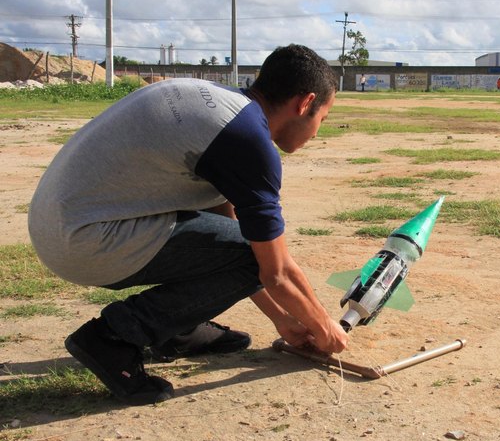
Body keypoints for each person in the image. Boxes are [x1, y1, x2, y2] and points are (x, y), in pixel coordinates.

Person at [28, 44, 349, 406]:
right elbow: (273, 271)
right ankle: (112, 337)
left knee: (233, 248)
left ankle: (175, 330)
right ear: (305, 103)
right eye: (323, 117)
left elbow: (220, 233)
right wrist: (325, 327)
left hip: (61, 227)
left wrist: (281, 318)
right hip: (83, 241)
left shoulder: (225, 114)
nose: (317, 132)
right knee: (250, 254)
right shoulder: (246, 142)